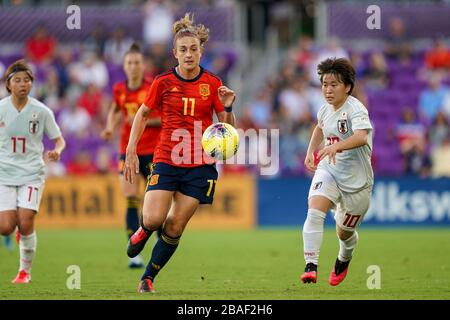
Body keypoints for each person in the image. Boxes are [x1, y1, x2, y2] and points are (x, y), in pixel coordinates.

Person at [123, 13, 236, 293]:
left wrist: (229, 107)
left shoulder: (212, 83)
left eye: (193, 49)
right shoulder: (162, 82)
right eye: (183, 50)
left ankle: (147, 278)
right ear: (175, 53)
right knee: (153, 219)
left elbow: (228, 131)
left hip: (200, 165)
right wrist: (131, 150)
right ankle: (143, 229)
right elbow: (142, 113)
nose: (188, 54)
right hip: (167, 159)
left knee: (174, 226)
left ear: (201, 51)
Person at [301, 58, 373, 286]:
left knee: (344, 233)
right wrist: (311, 150)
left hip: (357, 182)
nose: (328, 90)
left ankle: (344, 257)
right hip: (330, 169)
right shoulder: (324, 109)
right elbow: (320, 127)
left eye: (334, 84)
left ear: (348, 87)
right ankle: (310, 265)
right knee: (314, 209)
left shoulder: (356, 108)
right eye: (324, 84)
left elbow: (362, 136)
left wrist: (335, 146)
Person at [0, 60, 66, 283]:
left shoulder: (42, 111)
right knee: (5, 228)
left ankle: (24, 272)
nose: (22, 84)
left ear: (32, 84)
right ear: (9, 85)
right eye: (17, 80)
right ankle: (16, 229)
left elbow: (59, 140)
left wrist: (57, 151)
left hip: (31, 173)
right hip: (4, 174)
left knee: (26, 221)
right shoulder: (1, 109)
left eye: (26, 80)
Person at [101, 43, 161, 268]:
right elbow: (116, 109)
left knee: (154, 203)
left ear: (143, 65)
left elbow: (165, 118)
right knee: (130, 199)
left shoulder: (153, 86)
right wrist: (109, 126)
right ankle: (134, 253)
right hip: (128, 151)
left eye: (137, 62)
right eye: (129, 63)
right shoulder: (119, 89)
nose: (133, 66)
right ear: (124, 66)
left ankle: (156, 234)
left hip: (154, 152)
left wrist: (141, 119)